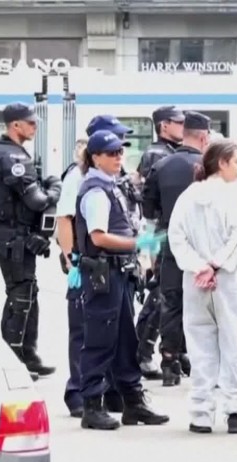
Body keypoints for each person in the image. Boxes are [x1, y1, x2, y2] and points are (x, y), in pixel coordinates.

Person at [74, 130, 169, 430]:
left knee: (126, 339)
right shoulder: (96, 191)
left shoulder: (110, 185)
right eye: (111, 153)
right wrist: (137, 244)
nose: (118, 157)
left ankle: (133, 402)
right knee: (100, 340)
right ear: (95, 157)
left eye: (120, 152)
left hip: (118, 271)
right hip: (104, 273)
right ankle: (92, 405)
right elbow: (98, 237)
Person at [167, 139, 237, 434]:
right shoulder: (236, 197)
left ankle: (201, 414)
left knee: (200, 345)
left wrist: (199, 266)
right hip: (230, 281)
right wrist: (215, 265)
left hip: (196, 281)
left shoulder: (188, 197)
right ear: (222, 163)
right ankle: (235, 411)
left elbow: (177, 238)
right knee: (235, 344)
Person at [58, 116, 135, 417]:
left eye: (121, 148)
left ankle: (116, 394)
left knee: (118, 333)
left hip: (117, 265)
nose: (119, 154)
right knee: (89, 333)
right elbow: (66, 219)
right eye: (113, 146)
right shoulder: (80, 178)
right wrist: (71, 261)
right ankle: (81, 394)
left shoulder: (112, 178)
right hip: (94, 265)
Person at [0, 102, 61, 378]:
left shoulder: (12, 152)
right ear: (15, 125)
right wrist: (55, 189)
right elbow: (36, 200)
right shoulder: (11, 156)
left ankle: (27, 353)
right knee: (20, 294)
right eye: (30, 123)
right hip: (13, 233)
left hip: (18, 232)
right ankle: (13, 359)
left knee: (28, 291)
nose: (35, 127)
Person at [143, 111, 212, 386]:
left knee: (171, 302)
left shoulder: (161, 166)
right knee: (204, 304)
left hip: (170, 242)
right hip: (205, 244)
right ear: (204, 137)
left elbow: (149, 211)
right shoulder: (211, 167)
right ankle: (194, 357)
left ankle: (169, 360)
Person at [135, 105, 185, 375]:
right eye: (179, 122)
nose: (183, 126)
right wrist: (149, 249)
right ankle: (141, 351)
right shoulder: (157, 154)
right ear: (164, 126)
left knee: (167, 296)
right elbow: (150, 204)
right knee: (159, 296)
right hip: (161, 233)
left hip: (168, 232)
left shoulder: (170, 152)